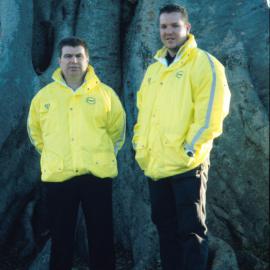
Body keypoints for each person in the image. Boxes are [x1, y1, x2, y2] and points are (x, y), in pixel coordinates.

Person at [132, 4, 231, 270]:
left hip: (188, 166)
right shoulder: (153, 70)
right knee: (165, 232)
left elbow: (212, 113)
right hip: (156, 167)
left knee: (191, 233)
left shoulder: (205, 63)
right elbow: (144, 115)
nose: (168, 32)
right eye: (163, 26)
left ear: (187, 28)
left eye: (175, 26)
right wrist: (141, 149)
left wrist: (190, 149)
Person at [27, 37, 126, 270]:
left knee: (101, 237)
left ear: (87, 59)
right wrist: (54, 154)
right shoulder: (44, 97)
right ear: (59, 61)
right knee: (61, 238)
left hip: (96, 176)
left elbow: (117, 132)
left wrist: (101, 156)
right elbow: (35, 133)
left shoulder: (106, 94)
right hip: (59, 177)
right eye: (68, 56)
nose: (73, 61)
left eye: (78, 55)